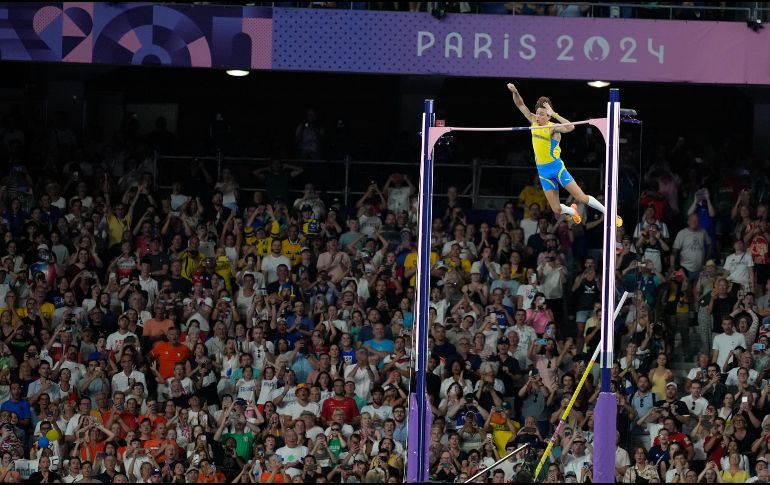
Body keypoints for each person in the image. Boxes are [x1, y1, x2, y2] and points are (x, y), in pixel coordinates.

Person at [506, 83, 622, 227]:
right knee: (556, 209)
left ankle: (610, 213)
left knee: (581, 197)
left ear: (548, 115)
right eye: (538, 113)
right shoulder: (533, 121)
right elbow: (520, 104)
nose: (538, 116)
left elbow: (571, 127)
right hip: (543, 173)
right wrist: (515, 91)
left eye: (542, 114)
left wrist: (554, 113)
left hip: (557, 169)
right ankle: (573, 211)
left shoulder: (553, 128)